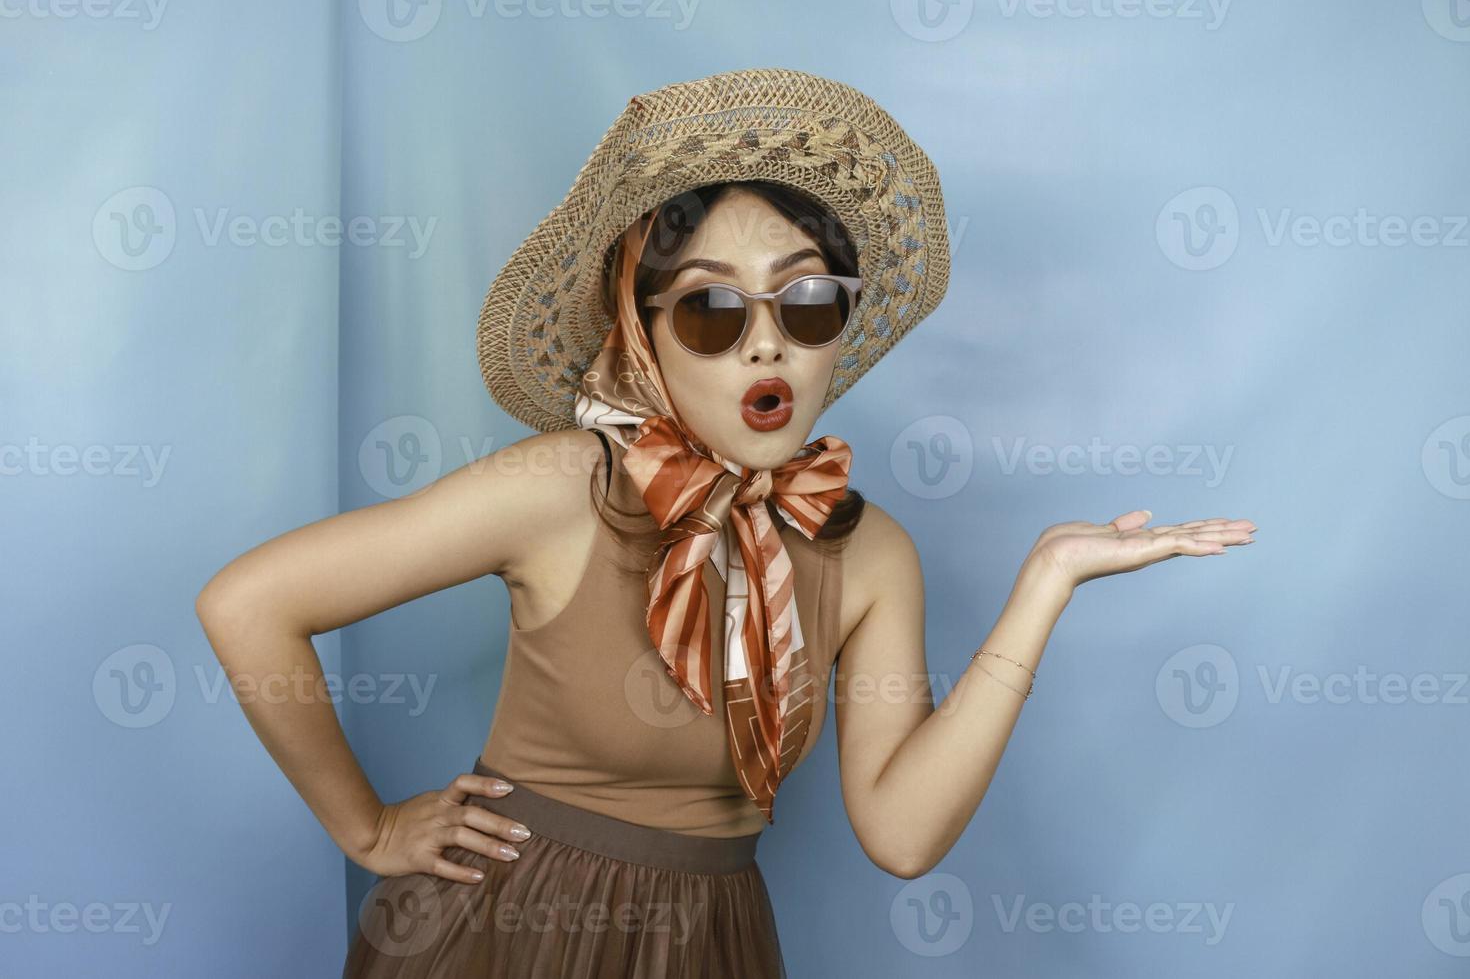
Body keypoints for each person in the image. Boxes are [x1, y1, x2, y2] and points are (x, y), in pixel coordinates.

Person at [195, 67, 1255, 978]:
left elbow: (900, 832)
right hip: (503, 937)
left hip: (713, 941)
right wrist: (369, 827)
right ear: (644, 337)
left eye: (805, 305)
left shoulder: (869, 549)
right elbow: (249, 603)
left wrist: (1044, 584)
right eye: (712, 311)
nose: (766, 348)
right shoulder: (562, 487)